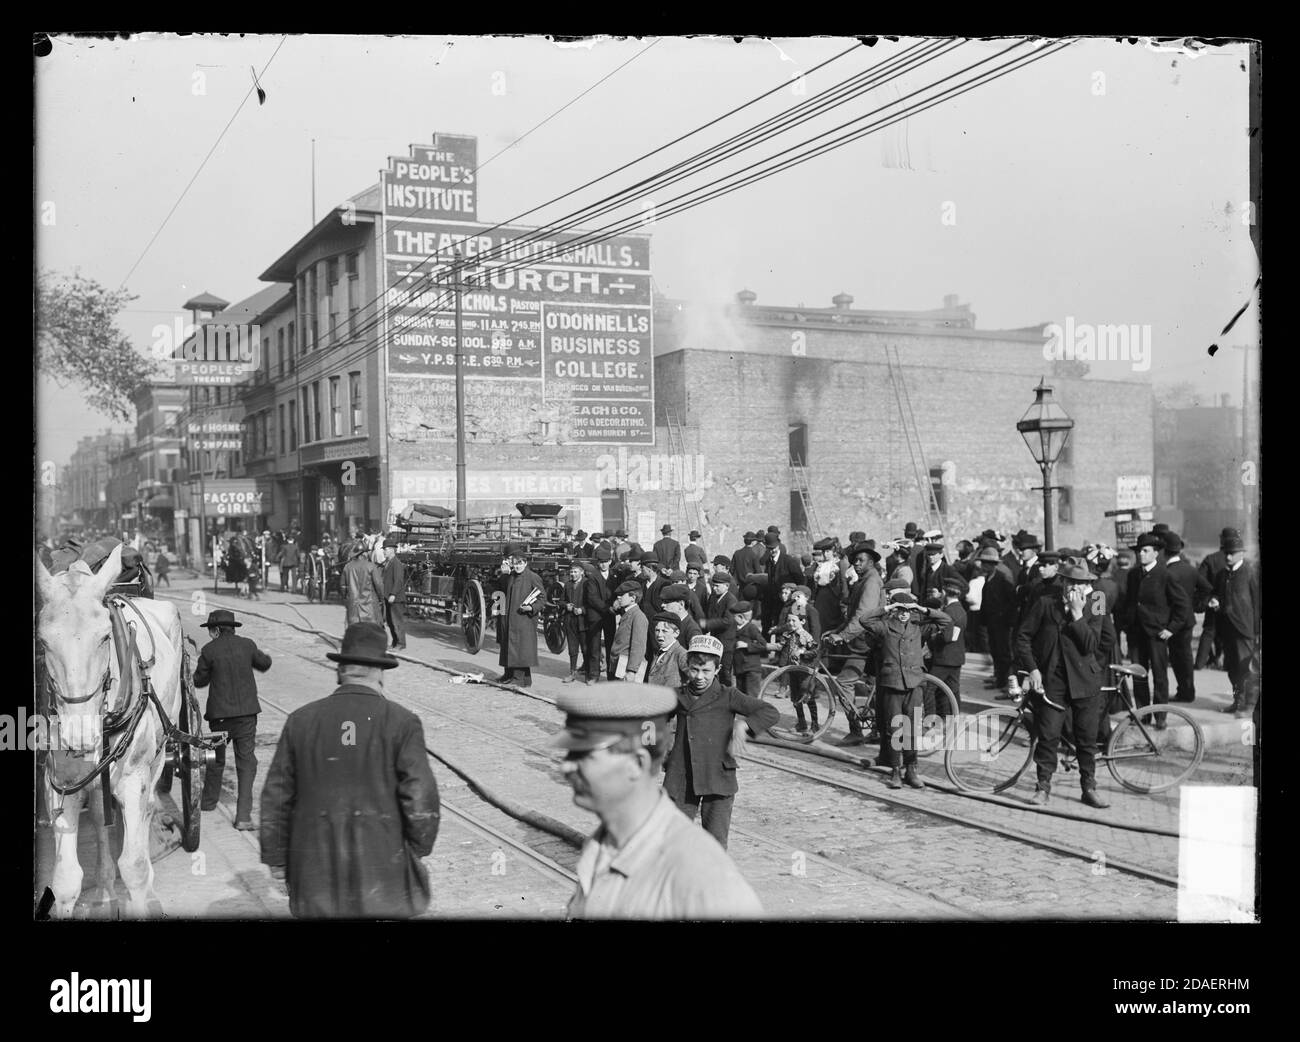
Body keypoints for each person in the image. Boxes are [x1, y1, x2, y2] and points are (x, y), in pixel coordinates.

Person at [260, 622, 440, 918]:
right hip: (383, 872)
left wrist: (277, 858)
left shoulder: (300, 720)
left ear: (340, 670)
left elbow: (275, 798)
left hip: (314, 872)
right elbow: (421, 797)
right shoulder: (402, 722)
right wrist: (418, 848)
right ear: (380, 672)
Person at [555, 683, 763, 918]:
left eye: (584, 755)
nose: (565, 767)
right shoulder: (598, 848)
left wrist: (744, 725)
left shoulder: (706, 876)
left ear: (637, 764)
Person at [662, 635, 780, 849]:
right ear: (687, 667)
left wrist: (745, 725)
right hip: (682, 778)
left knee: (715, 844)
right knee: (674, 840)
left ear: (717, 670)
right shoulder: (676, 696)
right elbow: (650, 718)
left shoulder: (728, 695)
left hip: (717, 777)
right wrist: (658, 751)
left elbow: (770, 712)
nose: (699, 676)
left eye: (706, 671)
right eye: (694, 670)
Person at [1015, 562, 1116, 808]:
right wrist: (1033, 669)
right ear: (1063, 582)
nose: (1075, 588)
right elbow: (1023, 637)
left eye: (1081, 584)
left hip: (1085, 681)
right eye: (1071, 582)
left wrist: (1078, 614)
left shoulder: (1097, 602)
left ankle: (1089, 787)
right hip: (1053, 681)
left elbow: (1093, 644)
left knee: (1086, 738)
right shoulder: (1045, 602)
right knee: (1048, 735)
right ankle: (1043, 787)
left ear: (1088, 584)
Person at [194, 609, 272, 829]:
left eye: (211, 630)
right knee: (246, 762)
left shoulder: (209, 650)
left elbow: (199, 681)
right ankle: (243, 817)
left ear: (217, 630)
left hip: (220, 718)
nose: (210, 634)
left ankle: (208, 803)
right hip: (246, 716)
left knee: (215, 759)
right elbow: (264, 664)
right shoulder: (247, 645)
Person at [1121, 532, 1191, 728]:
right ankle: (1143, 715)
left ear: (1156, 553)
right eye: (1139, 551)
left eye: (1145, 551)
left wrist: (1171, 629)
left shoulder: (1165, 575)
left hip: (1157, 634)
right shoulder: (1133, 575)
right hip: (1136, 634)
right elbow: (1129, 602)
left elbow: (1182, 605)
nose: (1141, 554)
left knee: (1159, 676)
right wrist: (1127, 625)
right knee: (1138, 675)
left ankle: (1160, 717)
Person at [822, 541, 884, 746]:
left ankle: (856, 730)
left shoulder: (871, 582)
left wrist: (843, 636)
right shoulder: (865, 580)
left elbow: (863, 616)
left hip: (865, 642)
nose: (856, 564)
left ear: (871, 562)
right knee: (875, 685)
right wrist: (837, 630)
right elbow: (852, 615)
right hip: (867, 640)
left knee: (843, 683)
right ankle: (878, 730)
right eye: (854, 560)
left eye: (860, 560)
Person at [1207, 534, 1259, 717]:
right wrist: (1215, 600)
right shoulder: (1221, 574)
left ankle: (1249, 706)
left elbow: (1257, 603)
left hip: (1245, 630)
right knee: (1231, 668)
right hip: (1226, 630)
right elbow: (1216, 593)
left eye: (1232, 553)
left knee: (1247, 669)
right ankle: (1238, 702)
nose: (1228, 556)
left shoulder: (1250, 573)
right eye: (1226, 553)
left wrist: (1257, 631)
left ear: (1241, 554)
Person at [1161, 532, 1210, 703]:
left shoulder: (1167, 572)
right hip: (1187, 619)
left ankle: (1185, 692)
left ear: (1164, 551)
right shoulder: (1190, 569)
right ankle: (1186, 691)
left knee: (1178, 658)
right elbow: (1206, 588)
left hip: (1173, 621)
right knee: (1185, 657)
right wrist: (1196, 604)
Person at [495, 543, 546, 688]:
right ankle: (511, 675)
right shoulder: (511, 576)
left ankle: (519, 678)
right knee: (509, 645)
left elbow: (542, 597)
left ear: (525, 563)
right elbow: (501, 590)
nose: (517, 566)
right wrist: (504, 574)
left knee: (520, 648)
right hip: (510, 617)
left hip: (524, 619)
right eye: (515, 564)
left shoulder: (533, 577)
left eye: (520, 564)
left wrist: (532, 608)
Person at [774, 585, 821, 732]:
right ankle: (801, 723)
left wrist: (806, 653)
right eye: (794, 597)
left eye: (798, 596)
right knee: (795, 695)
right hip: (793, 663)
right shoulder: (792, 614)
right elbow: (786, 636)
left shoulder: (810, 613)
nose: (796, 599)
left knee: (806, 694)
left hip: (806, 663)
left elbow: (815, 640)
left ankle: (815, 724)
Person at [976, 545, 1018, 696]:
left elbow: (1012, 601)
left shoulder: (1002, 578)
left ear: (991, 564)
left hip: (1002, 623)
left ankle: (1005, 681)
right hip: (992, 621)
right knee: (995, 649)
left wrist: (1005, 618)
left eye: (984, 563)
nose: (982, 565)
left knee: (1003, 652)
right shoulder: (989, 577)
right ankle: (998, 678)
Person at [1196, 528, 1238, 670]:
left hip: (1213, 601)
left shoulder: (1211, 559)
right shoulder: (1238, 560)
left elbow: (1200, 580)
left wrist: (1210, 597)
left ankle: (1199, 663)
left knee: (1208, 632)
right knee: (1230, 633)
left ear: (1221, 539)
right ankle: (1227, 664)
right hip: (1231, 603)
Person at [928, 575, 967, 718]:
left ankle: (930, 720)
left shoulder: (949, 611)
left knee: (929, 688)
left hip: (944, 657)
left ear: (944, 592)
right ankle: (952, 719)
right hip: (956, 657)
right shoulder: (960, 609)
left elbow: (947, 637)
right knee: (952, 690)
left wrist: (932, 638)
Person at [609, 579, 650, 681]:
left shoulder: (638, 617)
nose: (618, 597)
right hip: (618, 664)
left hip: (625, 668)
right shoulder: (627, 613)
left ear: (633, 598)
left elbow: (638, 647)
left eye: (622, 595)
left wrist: (631, 671)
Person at [729, 601, 770, 696]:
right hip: (740, 668)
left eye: (734, 616)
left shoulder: (751, 628)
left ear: (740, 617)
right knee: (741, 696)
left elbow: (763, 645)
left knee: (751, 696)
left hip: (751, 669)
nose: (732, 619)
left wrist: (747, 645)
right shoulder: (736, 628)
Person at [560, 561, 589, 683]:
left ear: (582, 572)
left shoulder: (587, 584)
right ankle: (572, 673)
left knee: (585, 649)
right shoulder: (567, 585)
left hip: (583, 622)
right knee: (572, 649)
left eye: (576, 572)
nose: (573, 574)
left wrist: (582, 610)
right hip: (570, 621)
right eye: (571, 572)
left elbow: (592, 602)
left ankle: (588, 674)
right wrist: (566, 606)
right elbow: (561, 601)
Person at [647, 611, 690, 688]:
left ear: (676, 633)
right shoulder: (659, 652)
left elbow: (694, 678)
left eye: (664, 631)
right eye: (657, 630)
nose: (659, 635)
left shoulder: (681, 654)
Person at [343, 543, 384, 626]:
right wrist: (381, 599)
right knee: (371, 630)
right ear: (364, 554)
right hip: (369, 608)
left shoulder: (347, 567)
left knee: (354, 630)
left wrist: (347, 599)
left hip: (353, 607)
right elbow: (379, 585)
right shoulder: (371, 566)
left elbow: (343, 587)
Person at [380, 536, 408, 651]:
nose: (384, 551)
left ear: (392, 550)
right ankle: (395, 642)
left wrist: (393, 594)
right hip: (388, 597)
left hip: (395, 598)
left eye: (385, 549)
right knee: (390, 621)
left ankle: (401, 644)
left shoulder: (396, 563)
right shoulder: (388, 562)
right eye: (384, 549)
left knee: (397, 621)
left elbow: (398, 580)